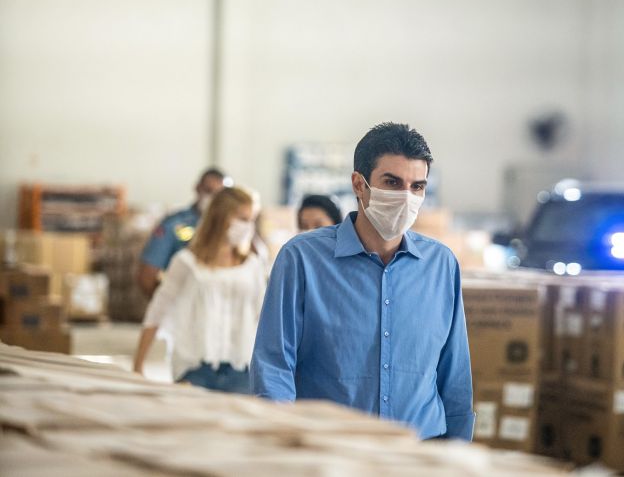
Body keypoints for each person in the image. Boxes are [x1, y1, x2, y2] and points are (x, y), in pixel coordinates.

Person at [250, 122, 475, 441]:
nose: (406, 197)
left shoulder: (441, 265)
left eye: (417, 187)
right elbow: (273, 367)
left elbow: (455, 374)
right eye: (392, 182)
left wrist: (458, 451)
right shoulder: (302, 260)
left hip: (421, 451)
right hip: (330, 453)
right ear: (359, 184)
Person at [133, 186, 267, 393]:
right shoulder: (186, 263)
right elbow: (157, 311)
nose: (248, 227)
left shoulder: (253, 266)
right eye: (242, 218)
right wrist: (138, 365)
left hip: (242, 369)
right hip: (194, 368)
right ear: (221, 217)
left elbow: (266, 319)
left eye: (252, 220)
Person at [137, 167, 227, 298]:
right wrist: (168, 308)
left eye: (219, 195)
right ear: (197, 188)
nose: (213, 199)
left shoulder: (231, 228)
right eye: (208, 191)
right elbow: (147, 277)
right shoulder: (174, 225)